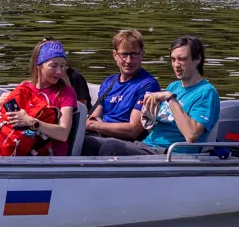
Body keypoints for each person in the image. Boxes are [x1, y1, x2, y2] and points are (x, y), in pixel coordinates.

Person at [80, 35, 219, 157]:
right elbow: (149, 126)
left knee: (111, 147)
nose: (176, 65)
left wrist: (171, 99)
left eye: (182, 59)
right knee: (82, 141)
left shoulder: (206, 92)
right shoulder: (174, 86)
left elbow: (191, 135)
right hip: (147, 146)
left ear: (197, 59)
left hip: (171, 153)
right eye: (173, 59)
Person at [81, 29, 161, 154]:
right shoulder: (109, 82)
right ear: (115, 55)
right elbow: (94, 116)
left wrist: (93, 125)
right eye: (124, 54)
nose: (129, 61)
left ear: (142, 55)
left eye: (134, 54)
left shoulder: (148, 85)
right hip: (102, 136)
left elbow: (133, 130)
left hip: (127, 143)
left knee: (97, 144)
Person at [0, 38, 77, 156]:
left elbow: (63, 134)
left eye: (62, 66)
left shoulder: (66, 93)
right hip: (18, 150)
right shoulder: (24, 88)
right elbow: (7, 125)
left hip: (50, 157)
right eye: (53, 66)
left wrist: (31, 121)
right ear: (38, 65)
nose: (59, 72)